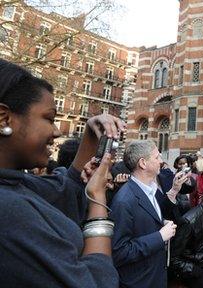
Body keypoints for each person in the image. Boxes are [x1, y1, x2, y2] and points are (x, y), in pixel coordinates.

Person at [0, 59, 124, 286]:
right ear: (4, 118)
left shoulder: (16, 185)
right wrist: (98, 203)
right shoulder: (9, 210)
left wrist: (89, 133)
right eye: (49, 118)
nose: (56, 131)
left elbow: (67, 190)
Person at [110, 140, 188, 288]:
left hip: (155, 276)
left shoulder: (151, 190)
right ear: (143, 163)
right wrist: (159, 236)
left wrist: (160, 223)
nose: (161, 161)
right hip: (140, 281)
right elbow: (119, 252)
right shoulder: (124, 201)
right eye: (157, 157)